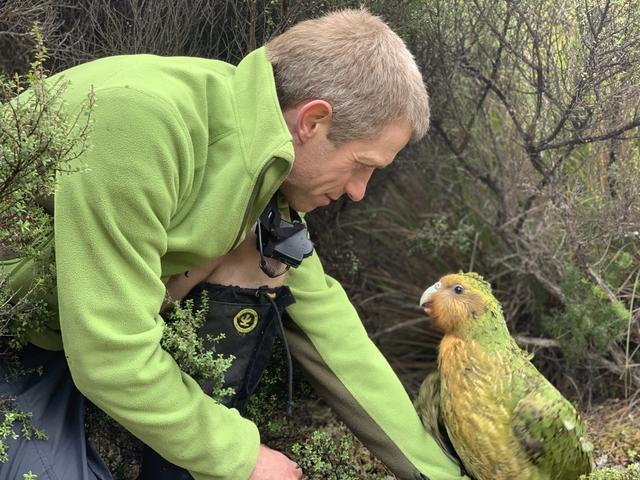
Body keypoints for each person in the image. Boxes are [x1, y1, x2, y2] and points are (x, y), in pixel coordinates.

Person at [0, 8, 468, 480]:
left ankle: (172, 463)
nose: (358, 190)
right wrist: (242, 458)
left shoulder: (259, 156)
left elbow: (333, 333)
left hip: (76, 333)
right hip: (17, 338)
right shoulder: (147, 122)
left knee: (265, 252)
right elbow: (108, 354)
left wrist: (437, 475)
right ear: (314, 121)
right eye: (361, 164)